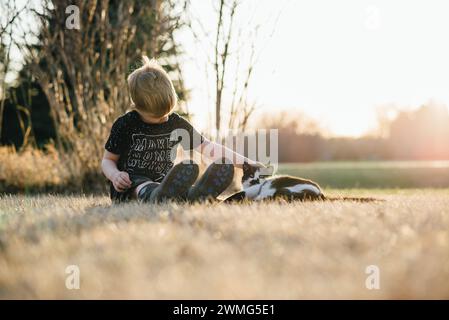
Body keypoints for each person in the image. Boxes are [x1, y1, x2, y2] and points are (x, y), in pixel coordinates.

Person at [101, 56, 262, 203]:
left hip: (167, 184)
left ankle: (198, 195)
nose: (162, 120)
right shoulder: (125, 124)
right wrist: (115, 175)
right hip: (129, 186)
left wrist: (247, 164)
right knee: (143, 185)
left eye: (165, 116)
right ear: (137, 106)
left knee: (179, 191)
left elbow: (208, 147)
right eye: (155, 117)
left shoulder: (176, 123)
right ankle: (157, 196)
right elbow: (108, 160)